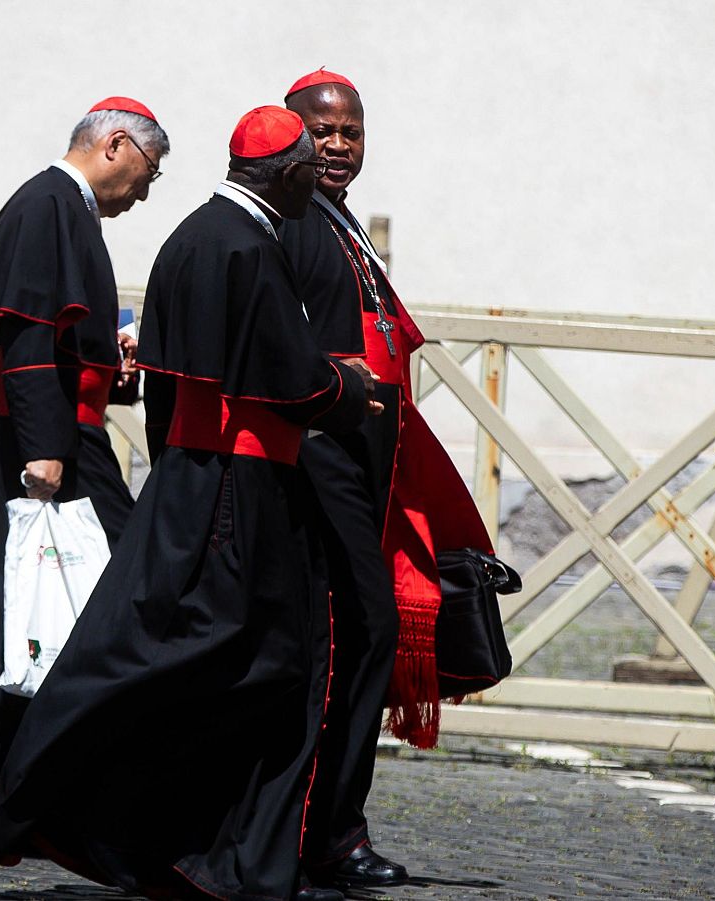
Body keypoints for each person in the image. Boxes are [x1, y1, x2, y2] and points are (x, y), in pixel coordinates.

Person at [0, 106, 376, 901]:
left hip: (194, 477)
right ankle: (220, 858)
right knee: (257, 668)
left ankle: (178, 843)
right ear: (286, 173)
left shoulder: (190, 237)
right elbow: (292, 380)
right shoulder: (250, 248)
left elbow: (167, 379)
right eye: (307, 169)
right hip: (247, 485)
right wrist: (347, 386)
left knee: (182, 657)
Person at [0, 97, 167, 808]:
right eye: (148, 169)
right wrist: (45, 450)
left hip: (59, 435)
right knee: (66, 597)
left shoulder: (63, 206)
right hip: (47, 444)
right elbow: (25, 336)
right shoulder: (49, 202)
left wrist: (112, 360)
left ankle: (9, 760)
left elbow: (65, 335)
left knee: (41, 603)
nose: (146, 189)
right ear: (115, 145)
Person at [278, 68, 493, 887]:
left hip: (365, 472)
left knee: (361, 642)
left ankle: (334, 829)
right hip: (323, 471)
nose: (337, 146)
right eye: (322, 132)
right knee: (350, 640)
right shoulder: (292, 222)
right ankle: (317, 832)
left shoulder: (338, 219)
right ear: (289, 132)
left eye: (351, 133)